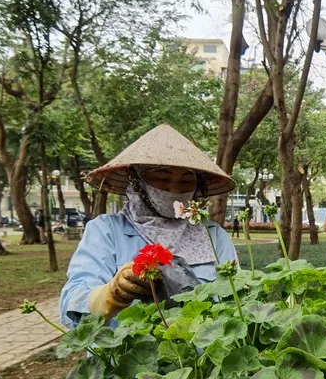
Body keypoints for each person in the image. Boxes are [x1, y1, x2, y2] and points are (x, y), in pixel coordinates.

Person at [60, 124, 237, 328]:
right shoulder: (106, 231)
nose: (174, 189)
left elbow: (235, 301)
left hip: (201, 357)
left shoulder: (213, 235)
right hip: (126, 356)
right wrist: (111, 295)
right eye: (162, 177)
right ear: (137, 179)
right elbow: (71, 305)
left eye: (187, 180)